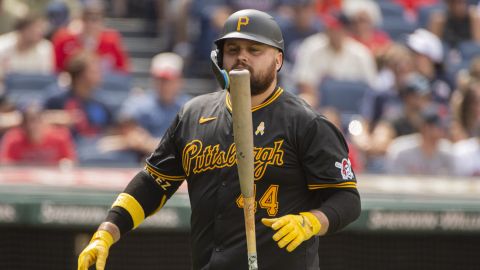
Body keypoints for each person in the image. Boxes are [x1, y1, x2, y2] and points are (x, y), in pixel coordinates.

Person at [77, 9, 361, 270]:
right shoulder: (193, 115)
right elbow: (153, 184)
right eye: (233, 49)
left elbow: (346, 198)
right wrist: (108, 231)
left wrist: (311, 221)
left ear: (278, 59)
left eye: (254, 49)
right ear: (220, 57)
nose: (242, 57)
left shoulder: (305, 123)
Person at [52, 0, 130, 74]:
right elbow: (56, 70)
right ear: (82, 20)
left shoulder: (112, 40)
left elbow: (123, 70)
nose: (91, 25)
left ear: (102, 22)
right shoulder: (64, 39)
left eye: (96, 20)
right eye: (88, 19)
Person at [385, 104, 453, 175]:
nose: (443, 130)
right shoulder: (401, 150)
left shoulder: (448, 151)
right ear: (426, 128)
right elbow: (395, 181)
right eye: (439, 127)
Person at [0, 103, 76, 166]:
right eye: (27, 122)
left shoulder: (60, 137)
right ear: (22, 125)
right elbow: (6, 164)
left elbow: (70, 161)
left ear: (43, 122)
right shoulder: (13, 139)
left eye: (36, 121)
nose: (32, 126)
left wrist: (64, 164)